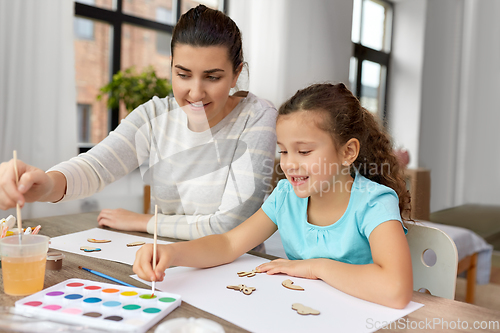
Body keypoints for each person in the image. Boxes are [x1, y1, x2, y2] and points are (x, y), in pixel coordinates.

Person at [0, 5, 278, 241]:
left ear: (236, 73)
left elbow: (227, 227)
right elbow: (96, 167)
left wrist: (142, 222)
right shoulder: (155, 115)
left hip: (237, 271)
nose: (195, 92)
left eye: (212, 77)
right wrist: (47, 184)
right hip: (163, 261)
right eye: (183, 74)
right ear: (171, 66)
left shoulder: (257, 118)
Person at [133, 83, 414, 309]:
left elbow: (396, 290)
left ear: (347, 152)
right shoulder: (286, 197)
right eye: (283, 150)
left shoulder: (374, 203)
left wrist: (314, 267)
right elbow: (229, 243)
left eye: (303, 151)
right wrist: (172, 253)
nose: (289, 163)